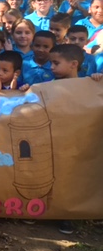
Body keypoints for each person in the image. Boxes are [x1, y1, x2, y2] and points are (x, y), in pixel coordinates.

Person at [48, 43, 103, 235]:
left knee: (71, 178)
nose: (51, 67)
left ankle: (66, 216)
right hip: (54, 141)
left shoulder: (89, 84)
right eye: (50, 63)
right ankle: (41, 210)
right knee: (50, 176)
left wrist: (97, 81)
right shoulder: (49, 87)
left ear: (73, 64)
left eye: (55, 63)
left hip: (77, 143)